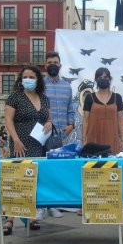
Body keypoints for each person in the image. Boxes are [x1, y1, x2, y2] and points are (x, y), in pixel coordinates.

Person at [3, 65, 53, 235]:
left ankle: (32, 217)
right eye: (26, 77)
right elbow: (8, 121)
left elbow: (49, 118)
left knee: (32, 181)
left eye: (32, 77)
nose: (28, 80)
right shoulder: (15, 97)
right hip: (20, 145)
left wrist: (49, 123)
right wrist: (16, 140)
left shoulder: (44, 98)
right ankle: (9, 219)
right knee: (16, 180)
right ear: (20, 79)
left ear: (38, 80)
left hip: (37, 145)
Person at [42, 51, 74, 218]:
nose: (52, 64)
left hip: (60, 136)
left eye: (55, 62)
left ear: (60, 65)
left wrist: (71, 125)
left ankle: (53, 204)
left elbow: (71, 109)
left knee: (55, 170)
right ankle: (41, 205)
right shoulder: (39, 85)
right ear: (45, 65)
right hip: (42, 134)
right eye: (49, 62)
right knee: (42, 168)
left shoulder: (67, 86)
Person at [82, 68, 123, 154]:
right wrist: (83, 139)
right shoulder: (89, 98)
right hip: (94, 139)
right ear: (95, 80)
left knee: (113, 166)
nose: (103, 79)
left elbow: (120, 120)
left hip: (112, 139)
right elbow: (86, 120)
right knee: (93, 165)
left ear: (110, 79)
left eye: (105, 77)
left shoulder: (117, 97)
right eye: (100, 77)